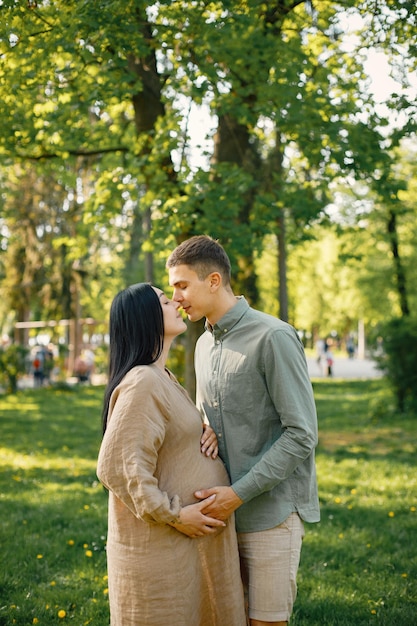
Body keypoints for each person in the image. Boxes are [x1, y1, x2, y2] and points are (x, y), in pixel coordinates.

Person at [167, 236, 320, 626]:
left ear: (214, 280)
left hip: (270, 513)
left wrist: (237, 494)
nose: (176, 297)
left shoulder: (274, 336)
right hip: (220, 519)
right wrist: (206, 426)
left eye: (182, 285)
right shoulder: (202, 344)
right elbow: (209, 413)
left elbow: (301, 434)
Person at [96, 283, 246, 626]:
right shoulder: (142, 382)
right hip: (163, 549)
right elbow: (118, 467)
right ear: (146, 317)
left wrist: (203, 431)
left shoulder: (160, 376)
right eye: (165, 300)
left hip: (183, 546)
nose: (176, 301)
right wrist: (177, 515)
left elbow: (166, 437)